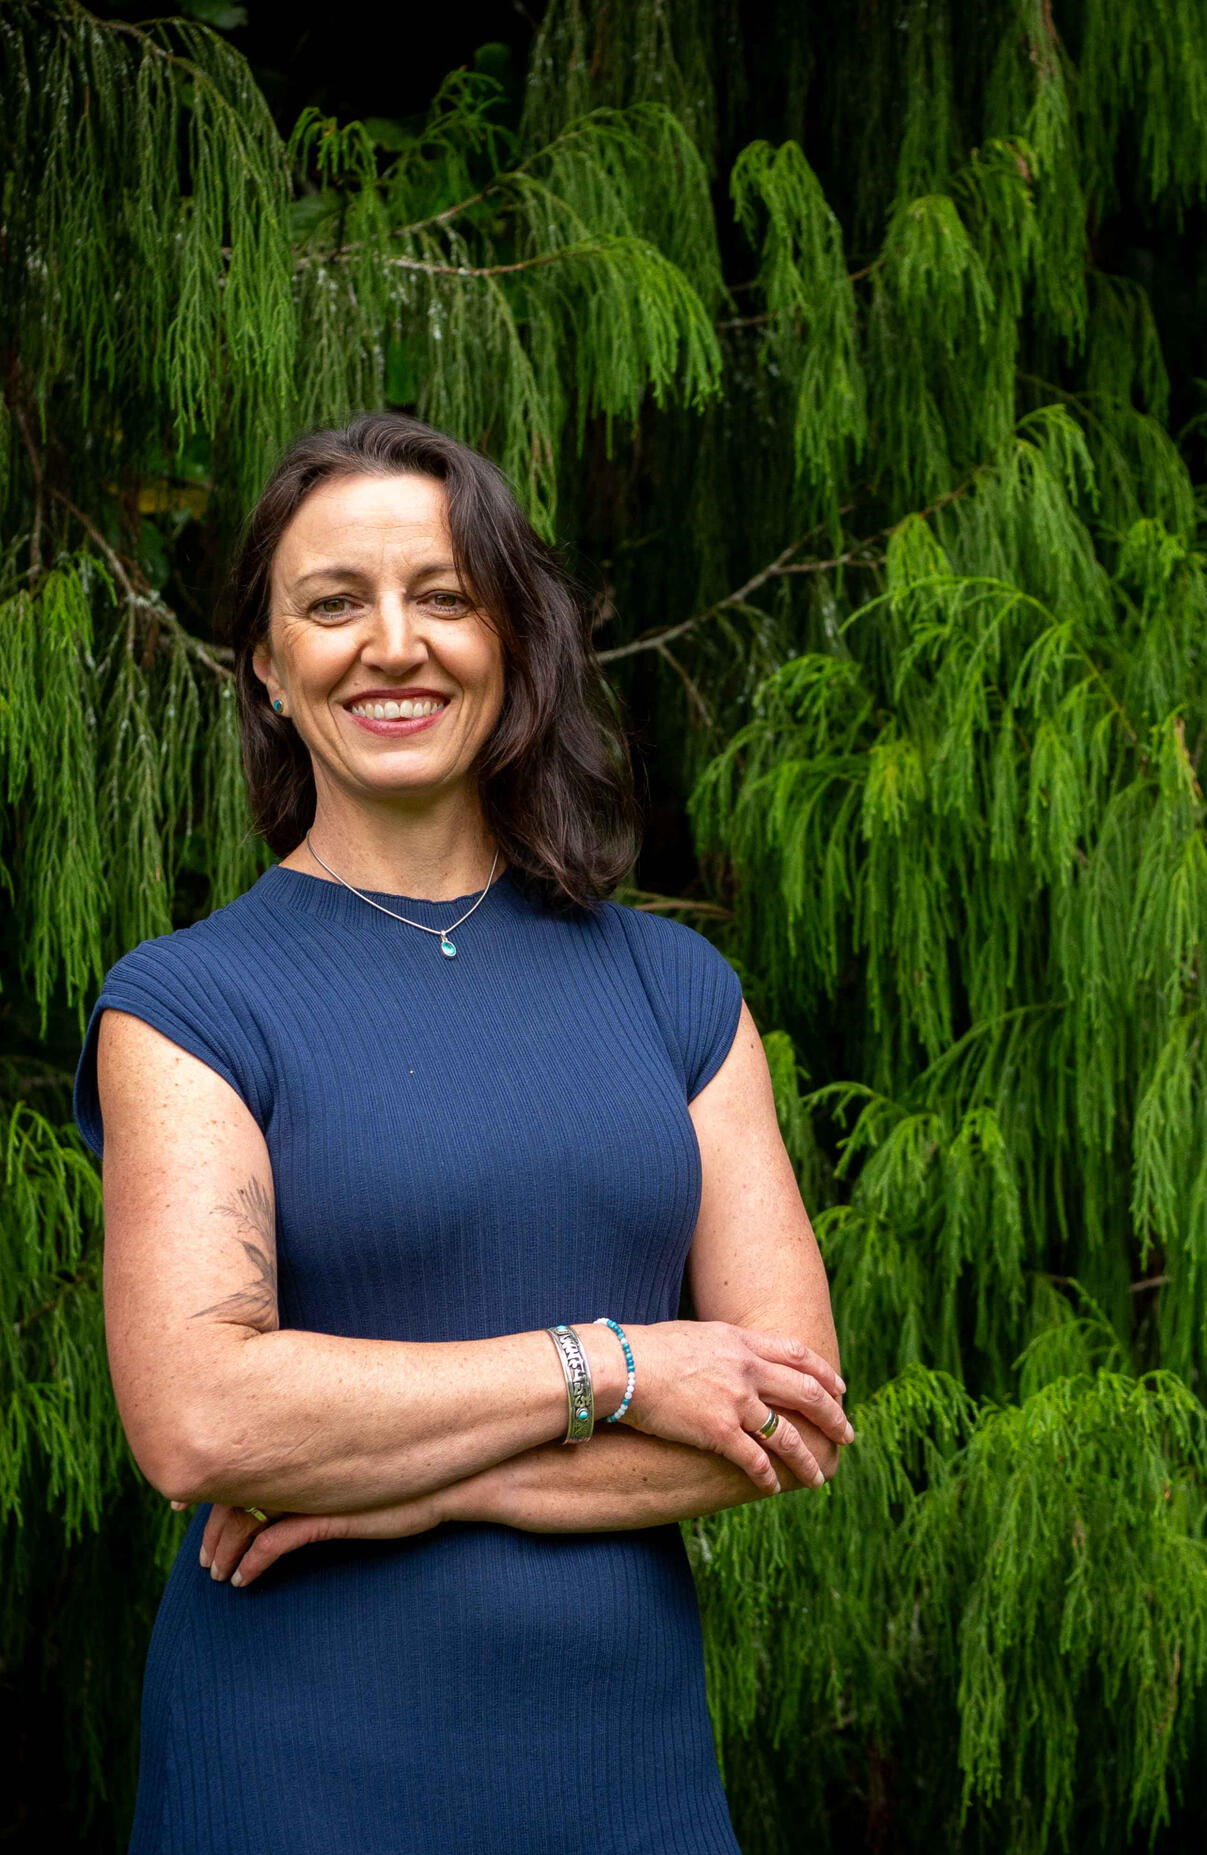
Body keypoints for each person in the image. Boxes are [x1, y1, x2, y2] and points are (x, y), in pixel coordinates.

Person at [72, 410, 852, 1854]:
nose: (395, 644)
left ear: (511, 640)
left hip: (628, 1785)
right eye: (333, 605)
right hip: (296, 1781)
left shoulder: (674, 989)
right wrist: (617, 1364)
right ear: (267, 664)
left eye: (444, 595)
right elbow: (199, 1421)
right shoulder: (187, 1006)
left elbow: (787, 1410)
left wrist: (409, 1492)